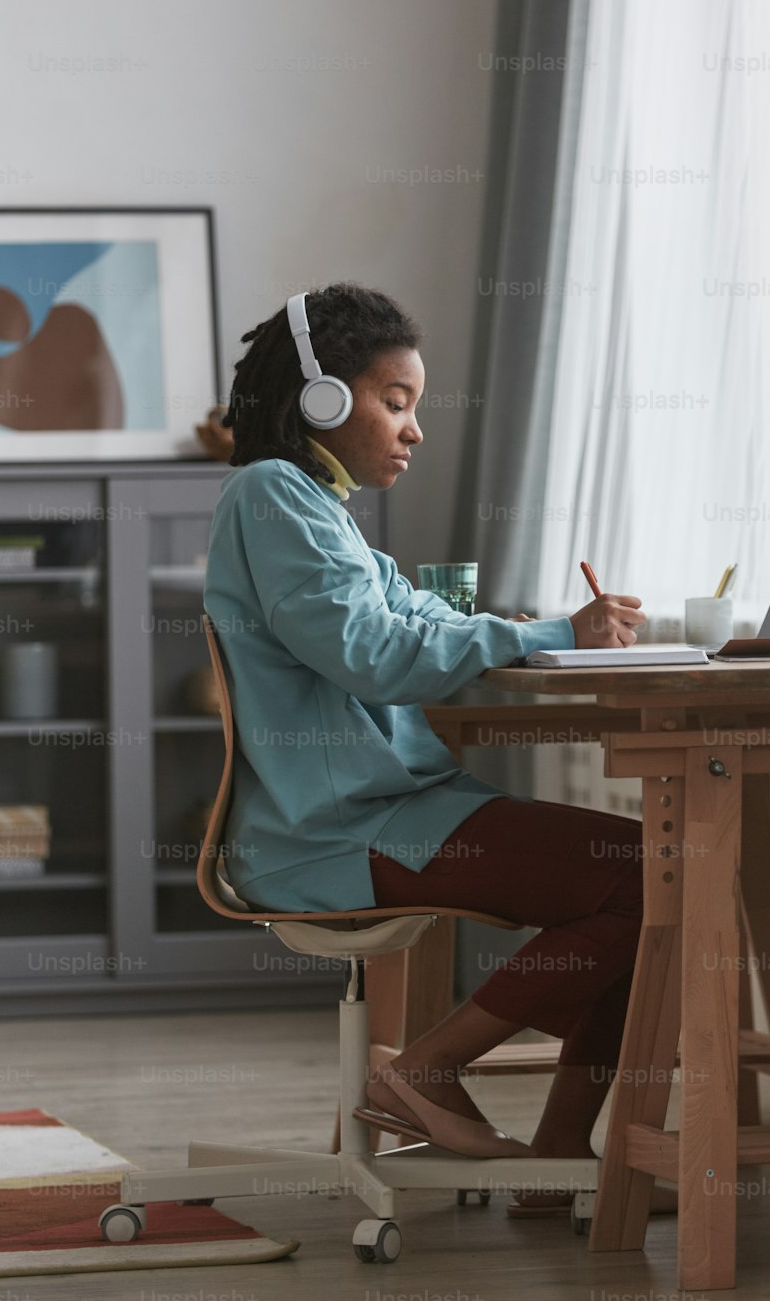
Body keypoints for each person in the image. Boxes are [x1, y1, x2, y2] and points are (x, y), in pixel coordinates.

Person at [204, 281, 657, 1214]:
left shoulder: (328, 517)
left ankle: (556, 1162)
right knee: (644, 875)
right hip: (338, 834)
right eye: (395, 403)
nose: (413, 431)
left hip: (377, 814)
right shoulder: (271, 495)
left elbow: (408, 617)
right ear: (320, 400)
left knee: (652, 877)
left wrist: (534, 628)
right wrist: (548, 635)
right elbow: (373, 655)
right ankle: (428, 1071)